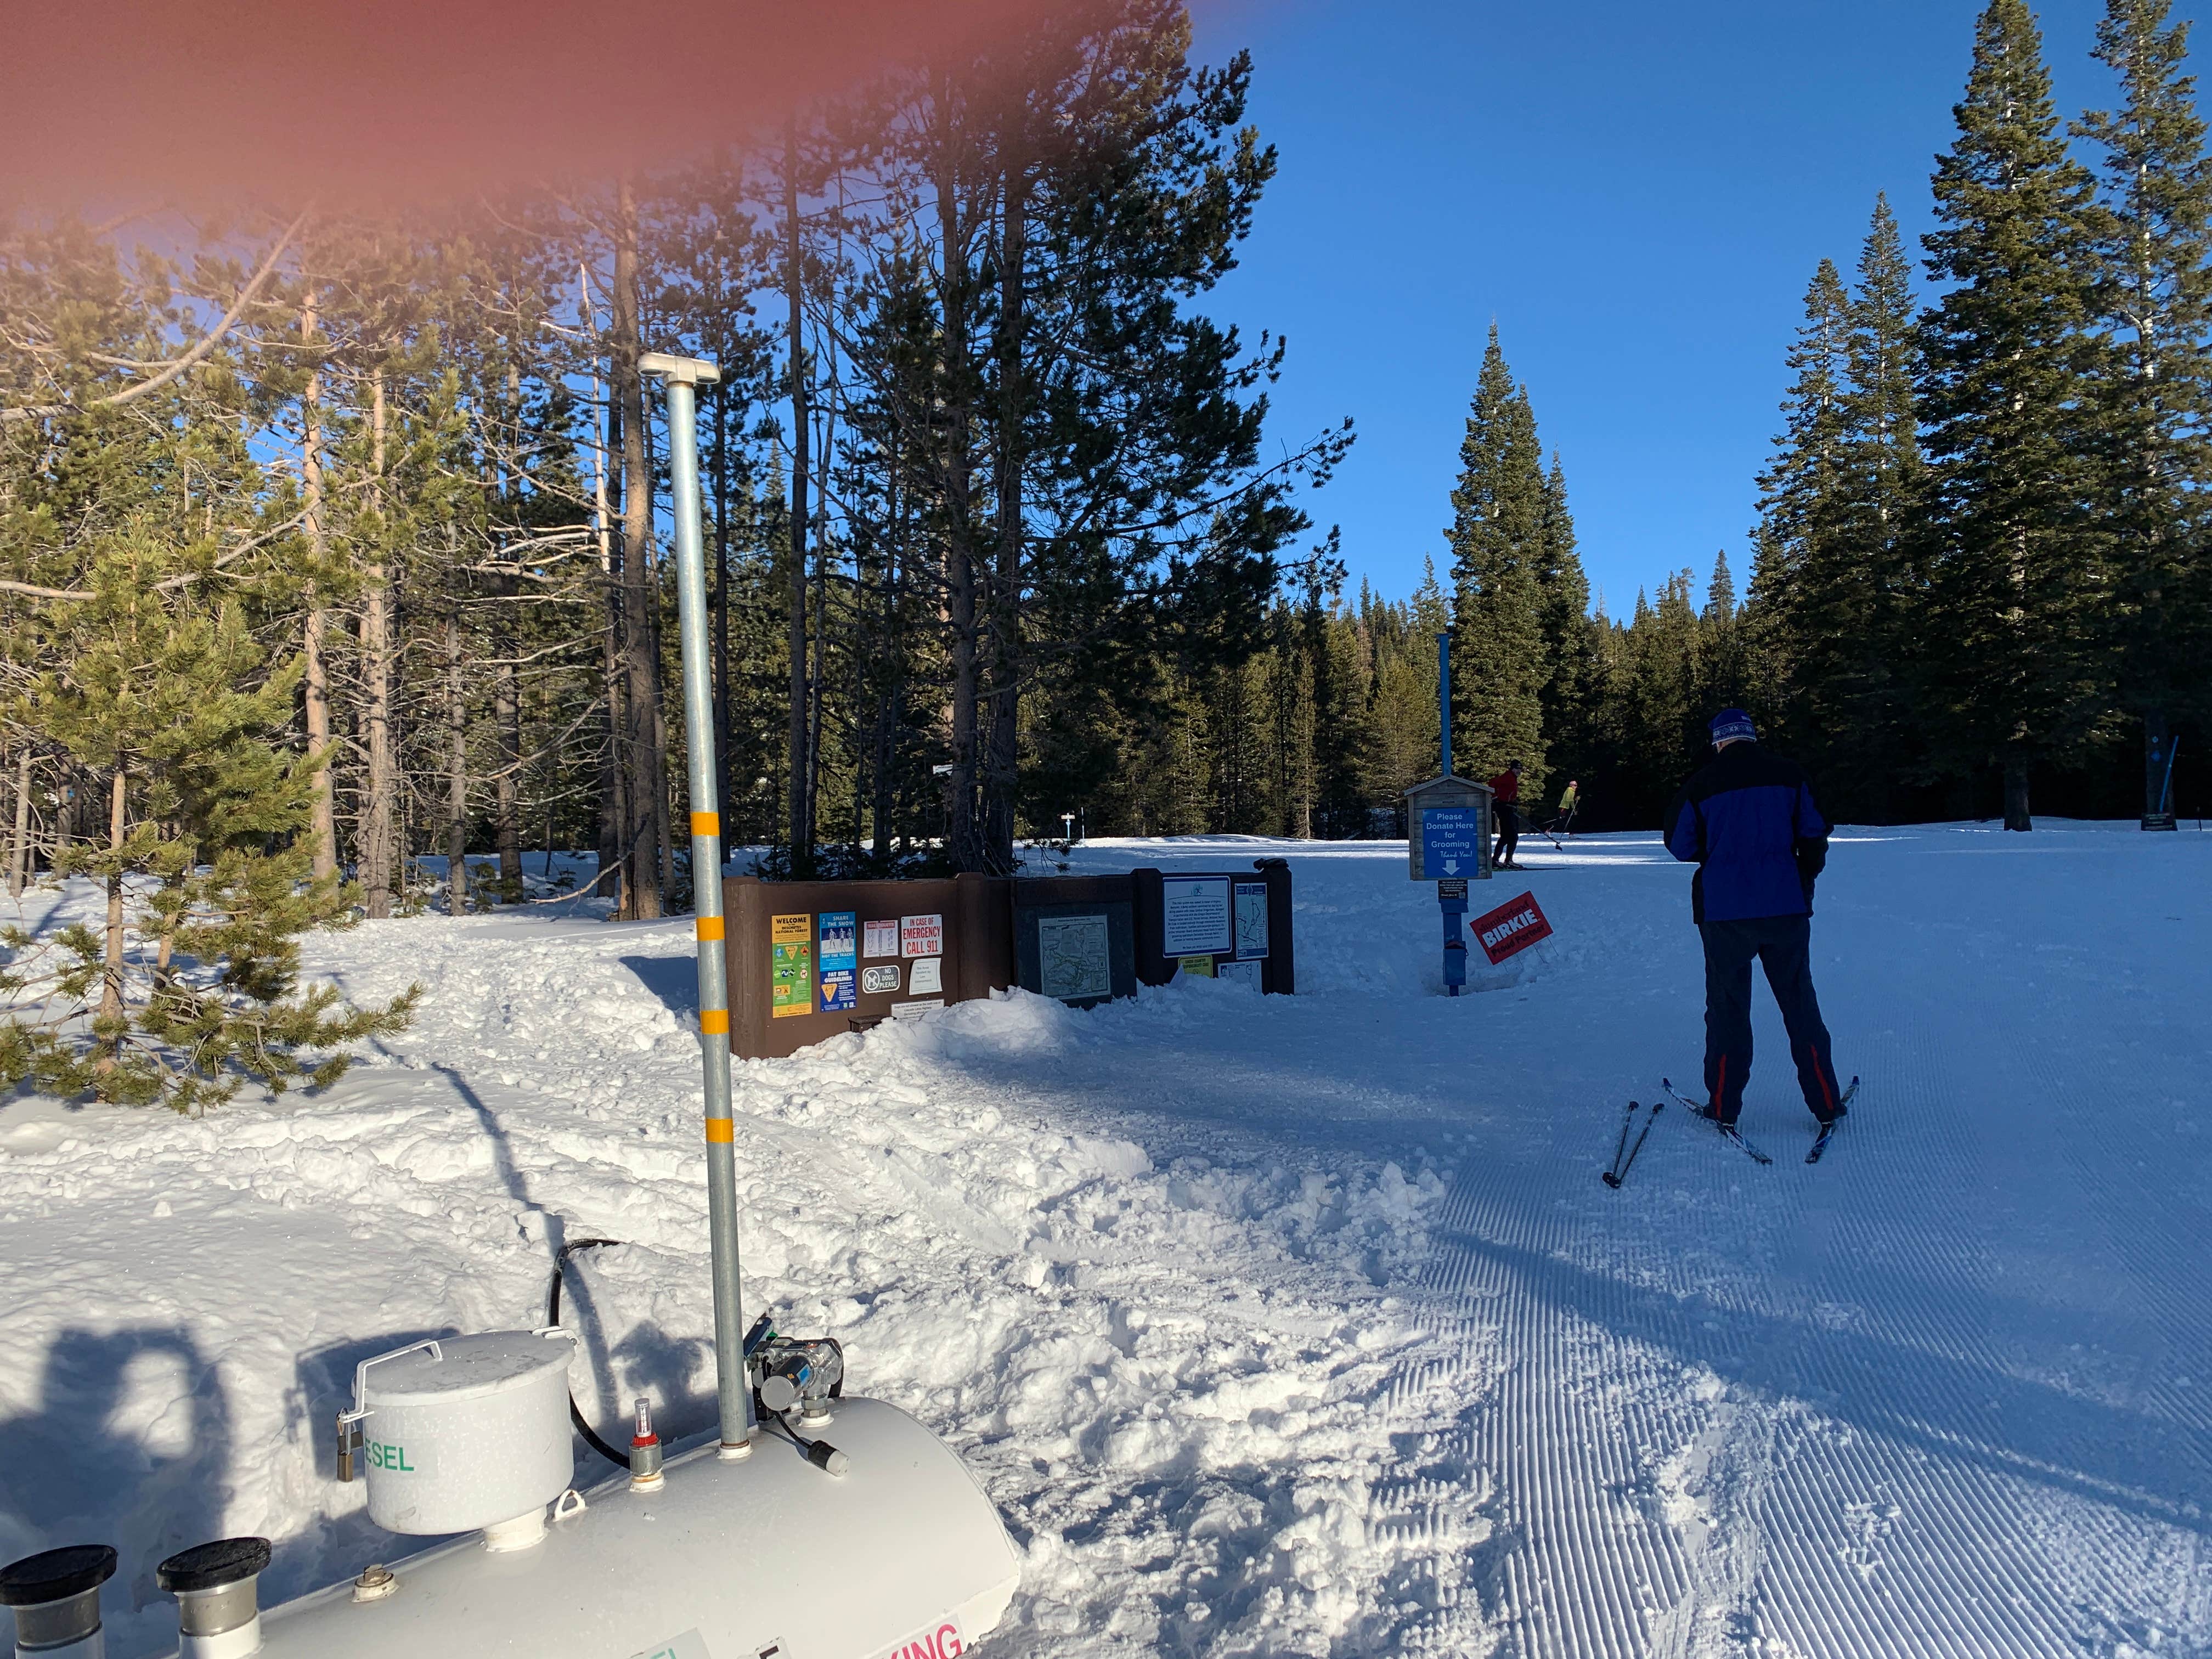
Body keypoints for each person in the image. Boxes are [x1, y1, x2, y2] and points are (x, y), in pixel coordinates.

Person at [1662, 710, 1846, 1128]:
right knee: (1800, 1002)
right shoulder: (1790, 774)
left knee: (1727, 1008)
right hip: (1785, 906)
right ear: (1752, 737)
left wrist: (1718, 853)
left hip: (1724, 913)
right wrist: (1803, 876)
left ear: (1719, 742)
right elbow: (1815, 832)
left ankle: (1724, 1107)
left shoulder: (1701, 783)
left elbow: (1680, 845)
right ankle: (1826, 1103)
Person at [1489, 760, 1523, 870]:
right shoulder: (1507, 777)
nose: (1519, 771)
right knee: (1513, 836)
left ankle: (1495, 860)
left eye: (1520, 769)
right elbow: (1492, 783)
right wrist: (1497, 799)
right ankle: (1508, 861)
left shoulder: (1512, 778)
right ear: (1512, 769)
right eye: (1516, 768)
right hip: (1505, 809)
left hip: (1507, 808)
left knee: (1505, 837)